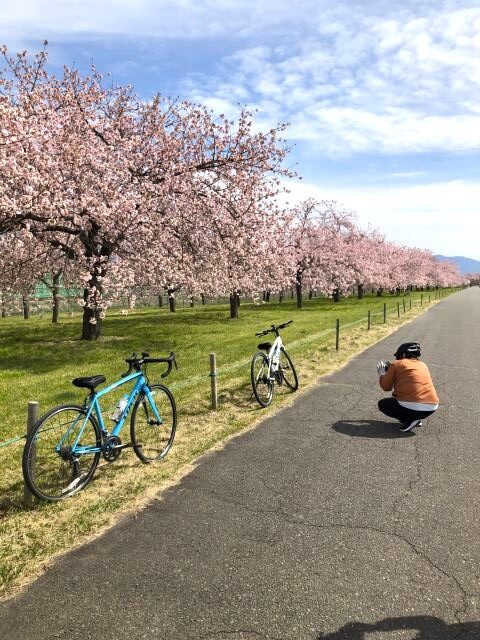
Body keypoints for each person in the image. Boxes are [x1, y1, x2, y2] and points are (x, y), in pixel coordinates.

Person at [376, 342, 439, 432]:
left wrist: (382, 374)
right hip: (431, 407)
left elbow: (386, 387)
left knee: (383, 404)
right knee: (400, 399)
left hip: (415, 406)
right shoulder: (423, 364)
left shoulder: (397, 363)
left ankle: (411, 420)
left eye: (398, 356)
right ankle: (415, 419)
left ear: (404, 354)